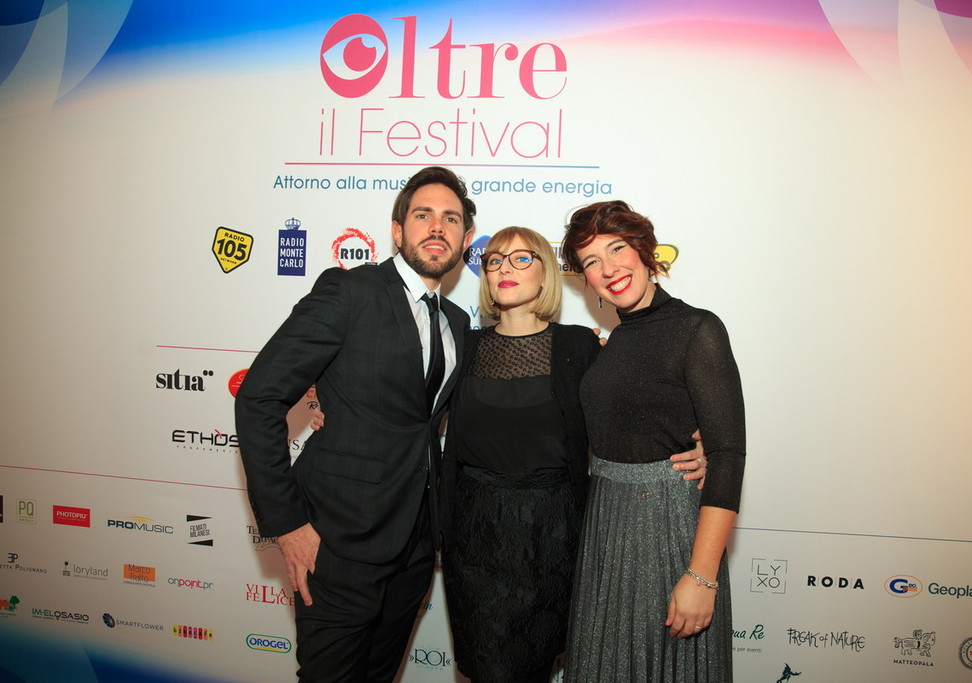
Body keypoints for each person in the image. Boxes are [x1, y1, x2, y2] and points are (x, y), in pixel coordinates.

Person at [235, 166, 476, 683]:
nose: (438, 226)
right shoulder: (349, 291)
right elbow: (259, 397)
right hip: (337, 542)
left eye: (451, 218)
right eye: (423, 215)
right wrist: (288, 525)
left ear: (466, 238)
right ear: (397, 230)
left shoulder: (456, 322)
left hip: (414, 548)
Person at [439, 226, 708, 683]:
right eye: (495, 260)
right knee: (488, 667)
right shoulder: (464, 345)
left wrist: (697, 442)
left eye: (522, 258)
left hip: (555, 532)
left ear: (546, 273)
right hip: (475, 534)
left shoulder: (579, 346)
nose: (505, 268)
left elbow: (630, 407)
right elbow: (410, 406)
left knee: (536, 663)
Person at [561, 200, 746, 682]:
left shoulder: (698, 329)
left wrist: (702, 576)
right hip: (605, 527)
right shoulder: (611, 343)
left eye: (616, 249)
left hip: (668, 527)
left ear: (644, 249)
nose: (608, 269)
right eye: (591, 261)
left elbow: (727, 455)